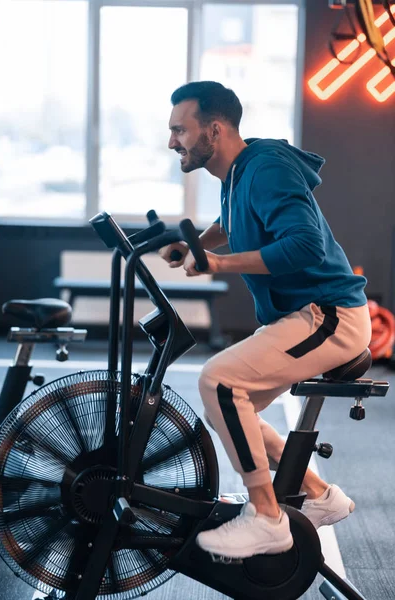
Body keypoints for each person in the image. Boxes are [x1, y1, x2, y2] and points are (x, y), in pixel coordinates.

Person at [160, 81, 371, 559]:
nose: (172, 142)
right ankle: (320, 496)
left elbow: (304, 247)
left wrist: (217, 264)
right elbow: (232, 221)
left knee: (218, 380)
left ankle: (267, 518)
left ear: (214, 129)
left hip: (329, 316)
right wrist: (195, 245)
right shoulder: (238, 173)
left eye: (180, 130)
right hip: (300, 316)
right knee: (230, 408)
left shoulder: (268, 168)